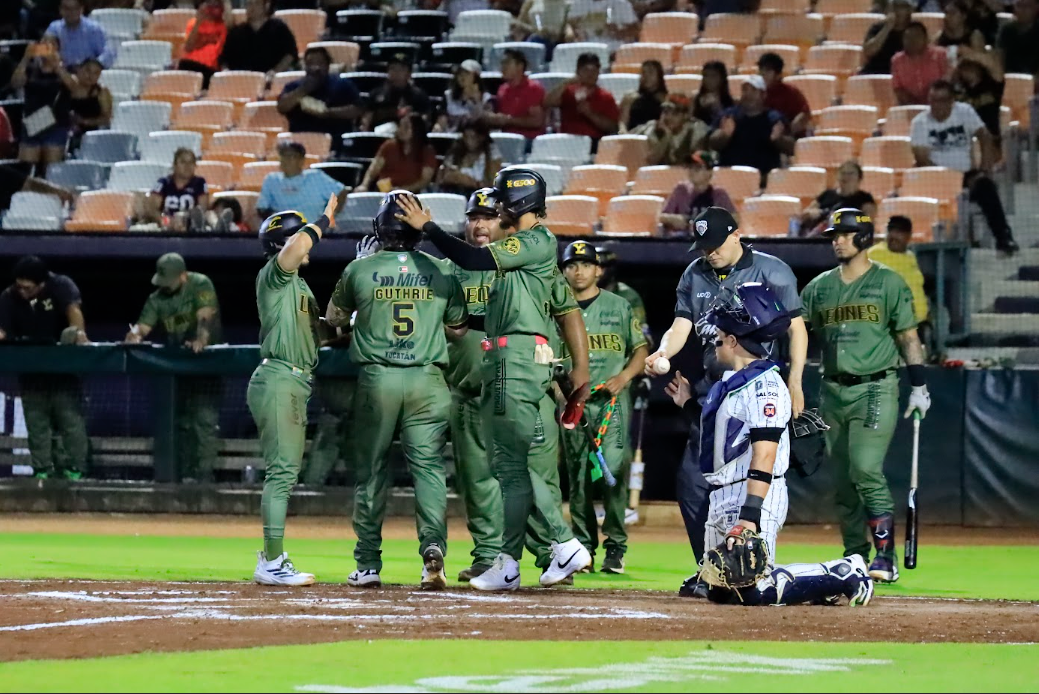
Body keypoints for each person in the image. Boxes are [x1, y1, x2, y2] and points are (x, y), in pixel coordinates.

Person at [396, 168, 594, 591]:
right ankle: (506, 561)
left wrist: (425, 226)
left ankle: (562, 543)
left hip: (513, 362)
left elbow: (472, 259)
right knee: (507, 467)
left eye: (501, 204)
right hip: (502, 365)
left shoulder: (532, 241)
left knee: (516, 463)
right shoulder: (523, 251)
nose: (494, 213)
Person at [668, 282, 875, 608]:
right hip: (721, 494)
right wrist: (687, 404)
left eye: (720, 337)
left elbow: (764, 455)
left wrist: (750, 516)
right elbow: (723, 433)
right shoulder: (729, 381)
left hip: (752, 494)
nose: (715, 343)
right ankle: (820, 587)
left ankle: (842, 571)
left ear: (735, 341)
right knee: (721, 589)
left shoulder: (764, 385)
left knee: (754, 590)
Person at [643, 206, 807, 597]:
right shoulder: (694, 272)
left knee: (753, 469)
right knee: (693, 483)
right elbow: (681, 324)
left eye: (715, 244)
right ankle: (711, 566)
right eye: (703, 246)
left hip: (754, 388)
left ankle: (755, 559)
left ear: (736, 235)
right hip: (714, 394)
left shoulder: (772, 270)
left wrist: (796, 381)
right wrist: (662, 352)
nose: (709, 252)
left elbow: (796, 328)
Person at [324, 192, 469, 591]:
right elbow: (458, 329)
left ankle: (368, 563)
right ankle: (433, 549)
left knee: (371, 472)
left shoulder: (361, 268)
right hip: (427, 380)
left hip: (378, 378)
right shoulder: (442, 268)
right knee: (429, 471)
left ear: (380, 229)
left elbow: (335, 319)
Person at [439, 189, 577, 583]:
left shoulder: (522, 263)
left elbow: (564, 315)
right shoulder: (450, 267)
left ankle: (554, 549)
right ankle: (493, 556)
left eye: (489, 216)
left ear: (505, 221)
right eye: (473, 216)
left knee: (531, 472)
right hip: (469, 389)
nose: (481, 224)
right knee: (482, 481)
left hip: (520, 382)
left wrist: (567, 372)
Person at [801, 208, 931, 584]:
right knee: (842, 480)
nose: (836, 241)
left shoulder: (889, 283)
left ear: (861, 238)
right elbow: (797, 332)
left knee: (865, 468)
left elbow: (908, 337)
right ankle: (855, 555)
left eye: (842, 235)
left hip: (876, 387)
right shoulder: (819, 287)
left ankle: (884, 555)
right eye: (833, 235)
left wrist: (919, 386)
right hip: (831, 390)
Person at [249, 196, 339, 586]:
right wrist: (322, 221)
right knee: (282, 473)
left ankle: (271, 558)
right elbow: (296, 247)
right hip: (280, 377)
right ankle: (271, 561)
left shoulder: (297, 286)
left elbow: (323, 335)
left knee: (285, 471)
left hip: (295, 379)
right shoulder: (274, 272)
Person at [559, 242, 649, 574]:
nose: (578, 271)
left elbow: (640, 349)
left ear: (599, 270)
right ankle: (583, 547)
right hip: (573, 403)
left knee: (612, 472)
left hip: (611, 402)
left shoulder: (619, 306)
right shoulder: (556, 307)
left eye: (585, 264)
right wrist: (561, 391)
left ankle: (615, 547)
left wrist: (624, 377)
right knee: (579, 478)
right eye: (571, 265)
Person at [124, 253, 223, 482]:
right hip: (178, 367)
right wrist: (134, 335)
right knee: (181, 423)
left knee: (204, 422)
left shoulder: (200, 283)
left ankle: (203, 477)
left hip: (206, 364)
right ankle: (183, 477)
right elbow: (143, 325)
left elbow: (205, 315)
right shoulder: (157, 298)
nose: (165, 287)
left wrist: (201, 339)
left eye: (170, 281)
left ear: (183, 276)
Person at [0, 256, 90, 480]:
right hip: (31, 370)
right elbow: (3, 330)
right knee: (36, 424)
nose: (21, 291)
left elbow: (74, 313)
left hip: (63, 369)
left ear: (41, 284)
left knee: (70, 421)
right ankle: (42, 472)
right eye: (18, 286)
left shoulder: (60, 285)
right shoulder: (9, 296)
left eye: (27, 287)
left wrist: (79, 334)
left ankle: (75, 471)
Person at [910, 80, 1018, 253]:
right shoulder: (920, 122)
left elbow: (985, 137)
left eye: (941, 101)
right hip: (936, 180)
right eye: (932, 100)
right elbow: (922, 159)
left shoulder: (964, 112)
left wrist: (985, 168)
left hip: (967, 176)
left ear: (952, 101)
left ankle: (1003, 238)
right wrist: (947, 179)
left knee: (986, 186)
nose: (936, 106)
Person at [708, 75, 792, 183]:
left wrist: (779, 139)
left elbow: (791, 148)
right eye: (745, 90)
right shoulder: (728, 116)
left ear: (763, 95)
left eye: (753, 90)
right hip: (729, 179)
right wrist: (724, 135)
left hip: (763, 180)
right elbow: (713, 143)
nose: (748, 95)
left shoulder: (774, 119)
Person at [11, 36, 72, 178]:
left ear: (58, 48)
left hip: (56, 124)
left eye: (50, 44)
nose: (46, 47)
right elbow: (16, 83)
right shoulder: (31, 69)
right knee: (25, 169)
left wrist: (57, 66)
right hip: (32, 124)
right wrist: (26, 58)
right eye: (43, 43)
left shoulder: (66, 69)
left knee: (51, 170)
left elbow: (73, 87)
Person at [277, 46, 362, 143]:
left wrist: (328, 113)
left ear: (327, 65)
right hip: (301, 141)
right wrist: (303, 90)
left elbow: (357, 109)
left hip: (335, 139)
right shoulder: (293, 86)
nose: (315, 67)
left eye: (320, 63)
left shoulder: (342, 84)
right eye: (310, 63)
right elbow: (281, 107)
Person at [867, 215, 930, 341]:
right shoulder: (874, 254)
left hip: (917, 324)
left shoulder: (910, 257)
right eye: (891, 231)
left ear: (908, 236)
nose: (894, 236)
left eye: (899, 232)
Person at [257, 141, 346, 223]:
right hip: (282, 233)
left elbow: (341, 192)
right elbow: (262, 208)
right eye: (282, 156)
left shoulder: (316, 177)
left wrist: (330, 217)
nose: (285, 160)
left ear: (301, 160)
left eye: (290, 156)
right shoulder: (271, 180)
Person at [543, 53, 620, 141]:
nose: (590, 75)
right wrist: (566, 83)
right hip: (566, 141)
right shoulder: (568, 91)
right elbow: (547, 102)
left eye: (594, 71)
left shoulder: (606, 96)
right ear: (578, 71)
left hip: (594, 142)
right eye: (586, 70)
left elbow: (613, 127)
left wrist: (590, 114)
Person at [355, 113, 437, 194]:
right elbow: (373, 169)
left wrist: (401, 190)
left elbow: (425, 180)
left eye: (406, 127)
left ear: (417, 130)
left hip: (412, 196)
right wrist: (364, 185)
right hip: (385, 194)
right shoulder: (389, 146)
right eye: (400, 126)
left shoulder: (427, 151)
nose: (401, 130)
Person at [659, 150, 736, 234]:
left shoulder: (719, 194)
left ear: (709, 172)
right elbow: (662, 217)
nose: (692, 171)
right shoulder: (681, 190)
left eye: (698, 168)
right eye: (690, 167)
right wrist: (674, 219)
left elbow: (735, 219)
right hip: (683, 240)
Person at [220, 0, 298, 77]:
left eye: (255, 3)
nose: (251, 7)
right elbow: (225, 60)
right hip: (241, 81)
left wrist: (275, 71)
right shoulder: (236, 32)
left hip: (270, 81)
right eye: (248, 4)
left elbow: (290, 54)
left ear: (266, 6)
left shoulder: (279, 28)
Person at [800, 160, 877, 236]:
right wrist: (813, 213)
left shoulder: (865, 199)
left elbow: (867, 222)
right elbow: (806, 213)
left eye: (851, 173)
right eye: (843, 173)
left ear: (859, 178)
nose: (846, 177)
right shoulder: (827, 194)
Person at [483, 49, 546, 140]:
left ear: (520, 66)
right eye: (502, 63)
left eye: (507, 63)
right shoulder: (502, 89)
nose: (503, 67)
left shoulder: (533, 88)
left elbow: (537, 121)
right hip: (505, 140)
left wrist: (509, 120)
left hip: (528, 141)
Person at [595, 246, 651, 347]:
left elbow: (642, 336)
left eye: (601, 267)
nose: (596, 272)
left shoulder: (628, 296)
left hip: (617, 351)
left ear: (611, 270)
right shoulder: (574, 293)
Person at [633, 94, 709, 167]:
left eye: (675, 113)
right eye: (665, 112)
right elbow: (651, 161)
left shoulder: (695, 129)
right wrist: (667, 135)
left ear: (685, 116)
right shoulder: (653, 129)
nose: (669, 117)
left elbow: (698, 161)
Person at [145, 148, 209, 232]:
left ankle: (219, 227)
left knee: (210, 215)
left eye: (191, 162)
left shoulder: (199, 183)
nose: (187, 166)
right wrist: (168, 222)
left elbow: (202, 209)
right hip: (165, 226)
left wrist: (187, 222)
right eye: (183, 162)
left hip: (191, 226)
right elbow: (152, 209)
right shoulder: (163, 183)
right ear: (174, 165)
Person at [361, 55, 431, 131]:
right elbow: (366, 120)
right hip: (380, 137)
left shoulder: (419, 95)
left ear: (409, 73)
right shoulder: (376, 94)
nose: (396, 73)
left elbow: (424, 121)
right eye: (393, 68)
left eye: (401, 69)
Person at [437, 119, 501, 197]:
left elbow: (494, 183)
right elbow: (443, 178)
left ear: (482, 137)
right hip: (456, 193)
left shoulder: (491, 153)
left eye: (473, 137)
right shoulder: (456, 151)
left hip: (481, 197)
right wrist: (455, 178)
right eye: (467, 137)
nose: (470, 141)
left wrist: (472, 183)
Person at [892, 21, 950, 106]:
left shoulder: (941, 55)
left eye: (916, 36)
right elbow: (898, 89)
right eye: (907, 37)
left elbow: (947, 82)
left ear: (926, 38)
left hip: (940, 104)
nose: (912, 41)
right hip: (910, 107)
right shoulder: (897, 60)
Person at [178, 0, 232, 89]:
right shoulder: (193, 23)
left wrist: (226, 3)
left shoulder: (223, 26)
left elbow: (230, 24)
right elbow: (188, 47)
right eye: (209, 4)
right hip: (188, 65)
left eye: (216, 5)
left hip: (210, 70)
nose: (212, 8)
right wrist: (199, 21)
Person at [953, 54, 1006, 142]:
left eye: (971, 66)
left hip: (992, 137)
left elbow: (996, 69)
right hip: (967, 139)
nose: (968, 71)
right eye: (964, 68)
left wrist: (972, 54)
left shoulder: (992, 85)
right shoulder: (959, 91)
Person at [757, 52, 811, 137]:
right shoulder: (755, 93)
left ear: (778, 74)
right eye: (761, 70)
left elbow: (804, 114)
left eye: (768, 70)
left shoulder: (791, 92)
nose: (763, 74)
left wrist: (788, 132)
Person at [45, 0, 109, 68]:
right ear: (61, 10)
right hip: (62, 72)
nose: (71, 12)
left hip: (87, 74)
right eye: (67, 9)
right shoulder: (54, 28)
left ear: (81, 9)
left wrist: (95, 64)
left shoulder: (93, 29)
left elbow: (108, 52)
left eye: (75, 8)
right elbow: (44, 49)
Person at [861, 0, 915, 75]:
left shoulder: (915, 30)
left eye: (901, 7)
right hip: (875, 73)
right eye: (894, 6)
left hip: (903, 75)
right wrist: (887, 28)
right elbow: (868, 51)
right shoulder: (878, 27)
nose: (897, 11)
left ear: (910, 10)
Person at [566, 0, 639, 55]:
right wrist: (574, 34)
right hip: (586, 47)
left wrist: (619, 32)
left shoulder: (621, 3)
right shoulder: (580, 3)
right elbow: (570, 25)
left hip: (614, 48)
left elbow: (636, 30)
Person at [437, 60, 492, 133]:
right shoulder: (448, 96)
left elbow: (485, 121)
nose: (462, 76)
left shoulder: (486, 98)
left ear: (476, 77)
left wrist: (476, 101)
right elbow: (442, 120)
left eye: (466, 73)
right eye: (460, 73)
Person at [619, 60, 668, 133]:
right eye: (644, 73)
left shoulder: (666, 99)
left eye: (651, 72)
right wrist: (624, 133)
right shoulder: (630, 97)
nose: (646, 76)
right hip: (633, 135)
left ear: (659, 76)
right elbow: (623, 123)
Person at [996, 0, 1039, 78]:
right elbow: (999, 56)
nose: (1023, 10)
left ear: (1036, 8)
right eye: (1019, 6)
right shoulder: (1007, 30)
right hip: (1007, 78)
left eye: (1027, 6)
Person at [693, 61, 735, 127]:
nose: (708, 80)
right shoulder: (696, 100)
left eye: (713, 76)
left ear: (721, 78)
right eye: (705, 75)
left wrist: (717, 108)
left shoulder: (729, 102)